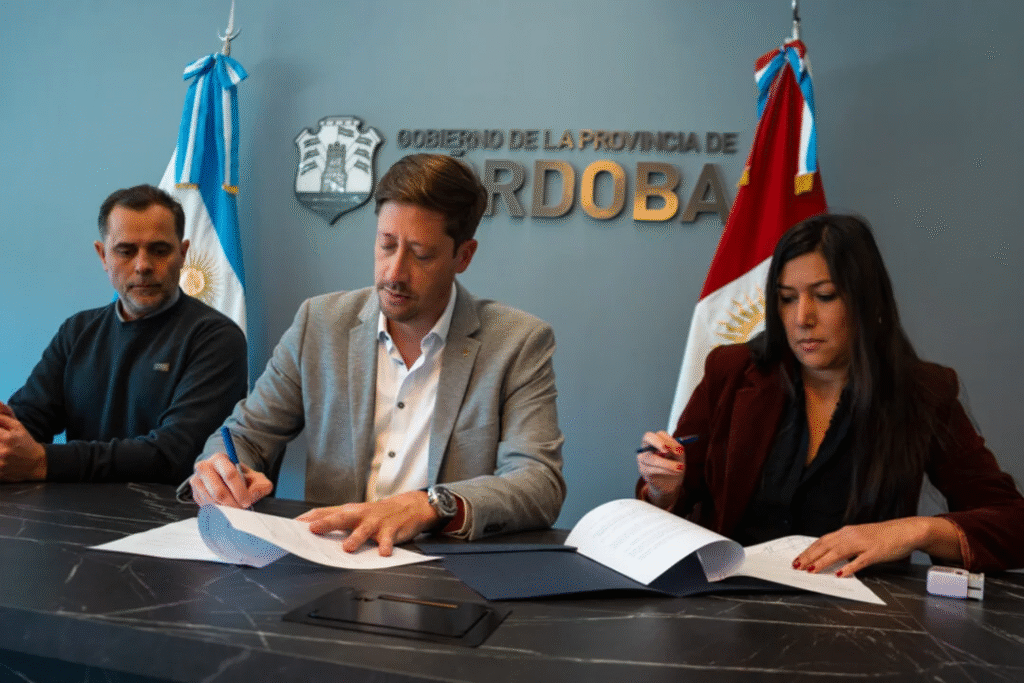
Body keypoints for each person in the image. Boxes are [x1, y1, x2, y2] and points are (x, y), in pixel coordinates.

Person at [188, 153, 566, 555]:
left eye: (421, 254)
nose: (394, 273)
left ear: (464, 256)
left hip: (444, 567)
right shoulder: (320, 323)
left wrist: (430, 504)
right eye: (387, 245)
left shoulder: (517, 342)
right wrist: (220, 472)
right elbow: (244, 435)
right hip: (332, 557)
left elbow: (538, 482)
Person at [637, 214, 1024, 576]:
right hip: (731, 606)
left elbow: (1013, 523)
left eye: (824, 296)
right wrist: (662, 490)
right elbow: (673, 500)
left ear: (867, 302)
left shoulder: (922, 392)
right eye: (787, 298)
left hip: (858, 616)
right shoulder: (732, 371)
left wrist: (916, 530)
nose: (802, 318)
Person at [0, 185, 248, 484]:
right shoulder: (77, 331)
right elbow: (27, 421)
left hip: (169, 510)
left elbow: (174, 455)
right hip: (74, 506)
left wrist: (45, 461)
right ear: (103, 256)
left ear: (183, 254)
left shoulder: (217, 338)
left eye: (159, 250)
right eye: (126, 251)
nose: (143, 266)